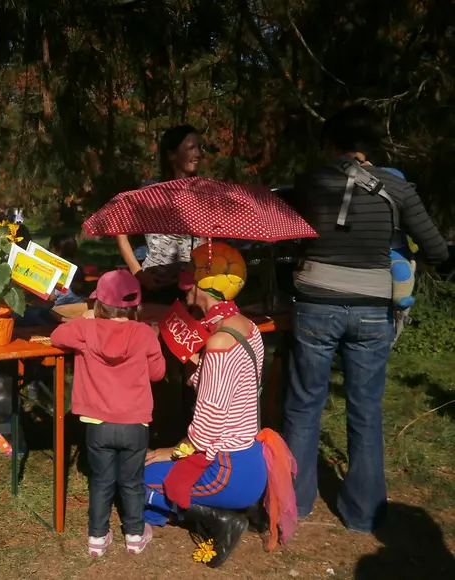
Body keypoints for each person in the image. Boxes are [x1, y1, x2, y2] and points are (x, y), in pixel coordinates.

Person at [283, 105, 448, 533]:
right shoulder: (397, 188)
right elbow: (437, 251)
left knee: (303, 407)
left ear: (331, 143)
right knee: (366, 409)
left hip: (315, 304)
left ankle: (294, 504)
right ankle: (363, 513)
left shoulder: (310, 182)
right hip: (373, 311)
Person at [144, 242, 297, 568]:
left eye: (188, 273)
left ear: (202, 284)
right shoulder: (245, 326)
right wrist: (196, 361)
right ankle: (232, 509)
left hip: (225, 469)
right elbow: (230, 388)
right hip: (250, 461)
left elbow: (207, 425)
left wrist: (171, 450)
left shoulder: (219, 341)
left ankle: (219, 519)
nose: (182, 279)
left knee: (134, 479)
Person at [52, 270, 166, 557]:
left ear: (99, 306)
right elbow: (157, 374)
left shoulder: (86, 330)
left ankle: (97, 538)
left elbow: (56, 335)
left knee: (101, 481)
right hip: (135, 424)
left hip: (98, 423)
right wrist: (154, 341)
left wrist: (87, 319)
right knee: (132, 482)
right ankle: (135, 535)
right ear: (135, 308)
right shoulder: (143, 333)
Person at [116, 125, 204, 303]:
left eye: (199, 147)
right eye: (190, 148)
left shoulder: (202, 191)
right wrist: (138, 273)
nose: (198, 154)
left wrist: (199, 272)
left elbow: (205, 238)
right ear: (172, 155)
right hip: (156, 287)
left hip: (192, 287)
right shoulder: (152, 191)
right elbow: (120, 230)